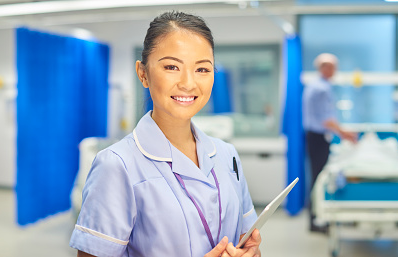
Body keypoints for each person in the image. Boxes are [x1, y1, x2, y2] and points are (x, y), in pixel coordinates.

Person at [70, 11, 261, 257]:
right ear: (143, 73)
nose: (188, 83)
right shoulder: (117, 165)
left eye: (202, 69)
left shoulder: (227, 154)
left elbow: (245, 237)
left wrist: (250, 252)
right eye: (172, 66)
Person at [302, 53, 356, 233]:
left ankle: (315, 219)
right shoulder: (321, 89)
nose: (335, 71)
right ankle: (316, 221)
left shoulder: (316, 86)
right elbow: (327, 119)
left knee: (316, 177)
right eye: (332, 67)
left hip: (314, 137)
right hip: (318, 138)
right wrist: (345, 134)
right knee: (319, 179)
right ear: (324, 68)